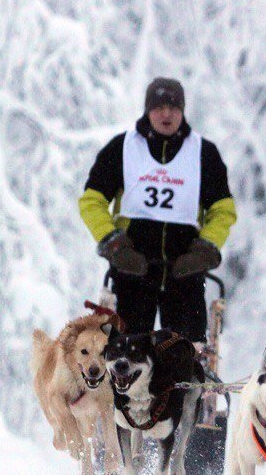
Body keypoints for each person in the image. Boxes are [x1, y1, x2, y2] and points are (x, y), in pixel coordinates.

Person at [78, 77, 237, 341]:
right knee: (126, 359)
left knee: (186, 358)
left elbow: (223, 210)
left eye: (173, 108)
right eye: (159, 107)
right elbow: (91, 202)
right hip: (133, 270)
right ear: (147, 110)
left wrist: (205, 247)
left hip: (184, 272)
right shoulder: (121, 148)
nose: (166, 114)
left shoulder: (204, 154)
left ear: (183, 111)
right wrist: (113, 243)